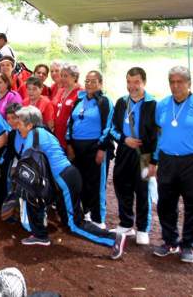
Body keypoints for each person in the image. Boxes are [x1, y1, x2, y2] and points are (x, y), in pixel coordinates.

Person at [11, 106, 126, 260]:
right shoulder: (43, 132)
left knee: (74, 223)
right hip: (66, 178)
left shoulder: (33, 135)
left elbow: (27, 166)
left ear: (30, 125)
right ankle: (40, 235)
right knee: (41, 202)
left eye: (20, 124)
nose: (17, 127)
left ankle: (113, 239)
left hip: (65, 180)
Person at [151, 66, 193, 264]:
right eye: (172, 81)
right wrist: (155, 160)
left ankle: (188, 244)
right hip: (167, 160)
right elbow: (159, 134)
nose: (175, 85)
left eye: (180, 81)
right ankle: (170, 241)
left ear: (189, 83)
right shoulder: (162, 105)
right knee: (166, 203)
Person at [110, 67, 158, 245]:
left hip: (144, 154)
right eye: (129, 82)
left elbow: (158, 135)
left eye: (136, 82)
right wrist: (125, 139)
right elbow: (112, 128)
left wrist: (155, 160)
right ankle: (126, 223)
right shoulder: (121, 102)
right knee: (121, 185)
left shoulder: (153, 104)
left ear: (144, 82)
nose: (132, 86)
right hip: (124, 151)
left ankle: (143, 229)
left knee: (143, 190)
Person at [65, 70, 114, 229]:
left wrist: (102, 148)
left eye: (93, 81)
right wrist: (70, 143)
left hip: (95, 147)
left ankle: (98, 217)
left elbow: (108, 126)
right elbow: (70, 123)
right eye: (87, 81)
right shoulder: (78, 100)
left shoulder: (104, 101)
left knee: (96, 183)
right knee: (81, 181)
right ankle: (85, 211)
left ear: (100, 83)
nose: (89, 85)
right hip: (77, 148)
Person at [53, 63, 82, 148]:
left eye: (65, 76)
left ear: (75, 77)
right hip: (57, 135)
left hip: (71, 138)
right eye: (61, 75)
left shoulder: (80, 93)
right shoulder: (60, 91)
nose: (62, 78)